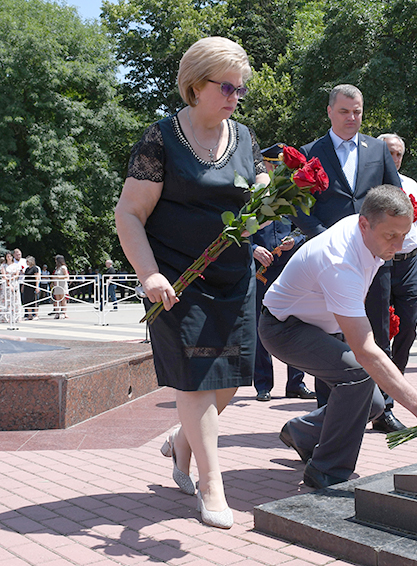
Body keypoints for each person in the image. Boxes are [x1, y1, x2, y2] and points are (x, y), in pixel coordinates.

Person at [114, 36, 269, 529]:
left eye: (239, 89)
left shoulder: (244, 138)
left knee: (230, 381)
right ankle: (211, 485)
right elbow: (129, 214)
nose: (234, 96)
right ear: (195, 84)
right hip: (178, 282)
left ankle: (181, 444)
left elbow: (259, 204)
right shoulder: (160, 140)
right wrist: (149, 273)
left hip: (235, 276)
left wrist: (270, 206)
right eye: (226, 86)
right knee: (197, 381)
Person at [259, 185, 417, 489]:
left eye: (404, 235)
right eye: (390, 235)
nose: (399, 244)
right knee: (358, 375)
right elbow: (365, 350)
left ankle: (302, 432)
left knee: (374, 404)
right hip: (284, 328)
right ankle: (326, 471)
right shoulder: (340, 261)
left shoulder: (366, 230)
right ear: (364, 224)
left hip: (316, 326)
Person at [297, 84, 405, 433]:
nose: (351, 118)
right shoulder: (311, 152)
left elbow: (395, 196)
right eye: (344, 111)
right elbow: (298, 206)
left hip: (374, 259)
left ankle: (383, 408)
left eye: (357, 111)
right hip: (329, 263)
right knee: (329, 336)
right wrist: (322, 237)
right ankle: (324, 413)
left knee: (377, 331)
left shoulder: (377, 150)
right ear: (329, 111)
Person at [251, 143, 315, 402]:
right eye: (274, 165)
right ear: (266, 166)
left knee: (296, 324)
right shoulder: (255, 195)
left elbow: (306, 228)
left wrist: (295, 240)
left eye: (282, 166)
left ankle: (296, 383)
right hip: (262, 270)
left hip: (291, 268)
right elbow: (239, 234)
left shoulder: (294, 195)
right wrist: (254, 248)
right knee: (260, 325)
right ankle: (263, 384)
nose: (278, 170)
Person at [377, 133, 417, 370]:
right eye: (389, 152)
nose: (394, 158)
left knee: (410, 323)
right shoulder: (368, 183)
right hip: (378, 262)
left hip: (410, 263)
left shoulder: (410, 185)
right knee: (379, 324)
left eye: (398, 154)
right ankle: (379, 382)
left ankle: (396, 375)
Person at [0, 251, 23, 323]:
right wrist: (8, 281)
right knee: (6, 299)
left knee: (15, 299)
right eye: (7, 257)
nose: (9, 258)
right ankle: (5, 317)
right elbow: (3, 275)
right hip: (6, 283)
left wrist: (11, 278)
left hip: (14, 282)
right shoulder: (3, 266)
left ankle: (15, 317)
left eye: (10, 256)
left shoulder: (16, 265)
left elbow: (17, 274)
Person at [51, 254, 69, 319]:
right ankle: (57, 313)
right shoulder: (56, 268)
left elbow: (67, 276)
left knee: (63, 299)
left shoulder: (63, 267)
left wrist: (59, 277)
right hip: (56, 285)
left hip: (62, 285)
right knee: (57, 299)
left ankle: (64, 313)